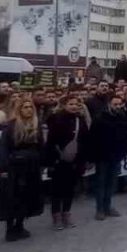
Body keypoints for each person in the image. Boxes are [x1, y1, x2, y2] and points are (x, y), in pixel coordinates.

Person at [0, 99, 45, 241]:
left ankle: (20, 225)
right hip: (14, 166)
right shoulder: (10, 126)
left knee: (27, 196)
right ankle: (10, 228)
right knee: (12, 197)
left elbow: (41, 146)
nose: (28, 110)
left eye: (30, 107)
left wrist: (42, 163)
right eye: (25, 107)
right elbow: (3, 147)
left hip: (31, 166)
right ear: (19, 109)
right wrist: (3, 167)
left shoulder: (36, 125)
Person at [44, 94, 88, 230]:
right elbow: (50, 142)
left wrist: (83, 159)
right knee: (57, 190)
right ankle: (56, 216)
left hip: (75, 160)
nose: (74, 106)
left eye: (76, 104)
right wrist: (53, 160)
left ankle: (66, 214)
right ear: (64, 105)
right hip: (59, 161)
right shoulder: (55, 119)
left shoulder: (80, 119)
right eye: (71, 104)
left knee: (70, 189)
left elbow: (85, 139)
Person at [90, 92, 127, 218]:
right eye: (115, 104)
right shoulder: (100, 118)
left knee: (112, 182)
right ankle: (100, 209)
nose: (118, 106)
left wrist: (124, 152)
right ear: (109, 104)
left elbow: (125, 136)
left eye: (120, 104)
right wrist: (93, 156)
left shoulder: (122, 117)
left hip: (116, 155)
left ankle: (108, 206)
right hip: (102, 156)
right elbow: (93, 138)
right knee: (101, 182)